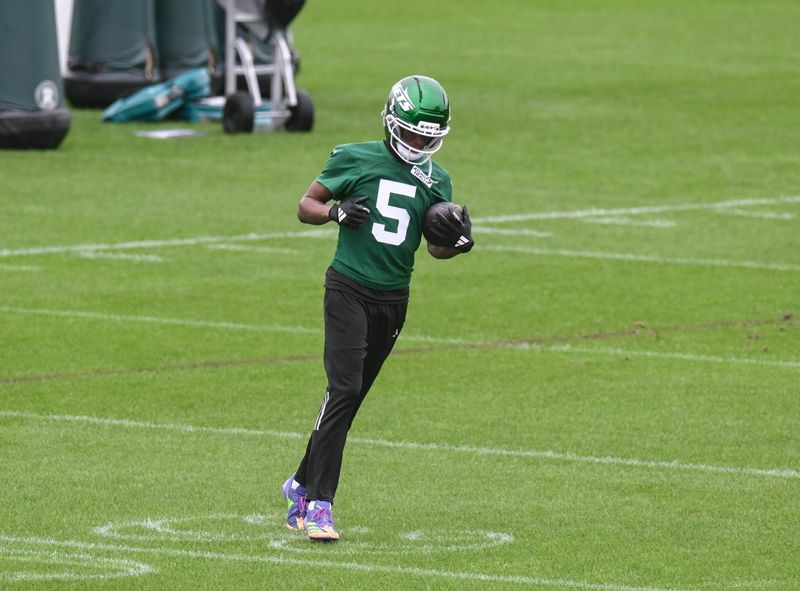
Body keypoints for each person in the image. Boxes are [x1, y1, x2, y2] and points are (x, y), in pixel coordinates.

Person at [282, 75, 474, 541]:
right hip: (347, 289)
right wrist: (335, 213)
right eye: (411, 133)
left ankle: (299, 484)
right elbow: (306, 204)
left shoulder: (437, 178)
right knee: (343, 390)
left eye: (427, 137)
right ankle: (320, 506)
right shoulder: (355, 156)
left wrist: (459, 242)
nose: (417, 143)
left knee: (347, 401)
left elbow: (434, 247)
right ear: (392, 122)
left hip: (393, 299)